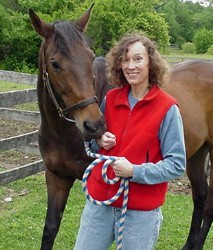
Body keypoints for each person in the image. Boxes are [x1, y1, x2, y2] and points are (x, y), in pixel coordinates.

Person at [74, 32, 186, 250]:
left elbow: (177, 164)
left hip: (140, 211)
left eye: (137, 59)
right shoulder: (111, 99)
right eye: (125, 60)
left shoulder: (167, 108)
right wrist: (100, 143)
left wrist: (134, 171)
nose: (130, 66)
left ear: (150, 63)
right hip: (100, 205)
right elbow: (92, 145)